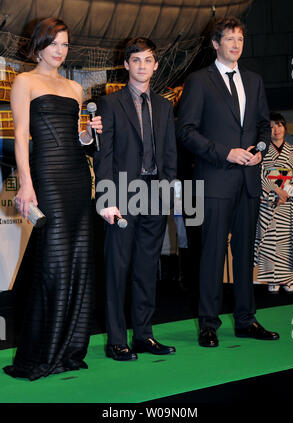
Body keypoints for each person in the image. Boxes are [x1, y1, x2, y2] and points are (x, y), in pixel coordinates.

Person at [3, 18, 102, 380]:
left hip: (77, 175)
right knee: (55, 259)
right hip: (46, 175)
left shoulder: (75, 88)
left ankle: (70, 348)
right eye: (54, 44)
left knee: (78, 258)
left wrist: (89, 136)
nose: (60, 51)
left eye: (65, 45)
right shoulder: (24, 81)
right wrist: (26, 186)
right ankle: (42, 350)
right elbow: (21, 137)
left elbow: (75, 140)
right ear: (40, 44)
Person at [177, 17, 279, 348]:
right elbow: (186, 131)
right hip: (214, 180)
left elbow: (264, 124)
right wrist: (226, 153)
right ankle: (209, 324)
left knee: (245, 253)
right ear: (215, 43)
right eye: (229, 39)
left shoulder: (254, 80)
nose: (236, 44)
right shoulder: (198, 81)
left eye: (240, 39)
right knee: (211, 255)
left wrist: (260, 151)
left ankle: (246, 320)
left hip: (249, 180)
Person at [93, 37, 177, 361]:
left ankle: (143, 335)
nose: (142, 65)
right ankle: (117, 341)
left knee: (146, 269)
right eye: (136, 60)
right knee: (117, 269)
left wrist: (168, 189)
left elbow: (169, 152)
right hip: (121, 197)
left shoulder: (166, 105)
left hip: (154, 195)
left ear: (155, 65)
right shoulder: (110, 104)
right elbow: (104, 156)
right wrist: (106, 198)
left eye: (148, 60)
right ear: (126, 65)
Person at [254, 112, 293, 293]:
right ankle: (271, 279)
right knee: (269, 242)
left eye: (279, 125)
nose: (276, 129)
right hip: (269, 203)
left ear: (284, 128)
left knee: (288, 241)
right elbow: (259, 175)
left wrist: (285, 194)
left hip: (287, 204)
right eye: (272, 126)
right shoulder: (262, 152)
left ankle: (288, 280)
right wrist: (275, 192)